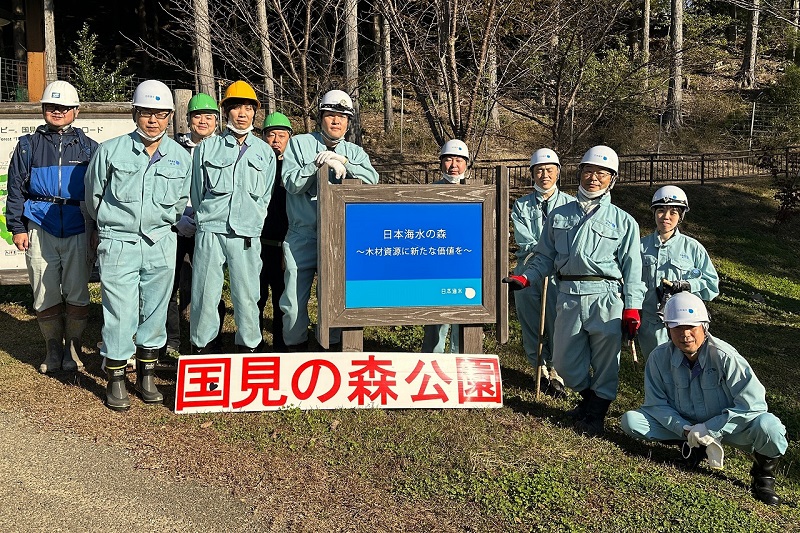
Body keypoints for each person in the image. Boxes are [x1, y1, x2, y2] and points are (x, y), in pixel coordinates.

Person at [503, 145, 645, 436]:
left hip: (604, 295)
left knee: (606, 361)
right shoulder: (560, 215)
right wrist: (527, 278)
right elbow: (543, 255)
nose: (594, 178)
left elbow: (633, 269)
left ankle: (595, 414)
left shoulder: (624, 221)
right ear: (579, 173)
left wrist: (632, 306)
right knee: (566, 363)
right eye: (589, 171)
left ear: (612, 179)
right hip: (567, 294)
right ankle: (590, 399)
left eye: (602, 173)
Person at [620, 292, 788, 505]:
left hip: (731, 429)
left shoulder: (726, 357)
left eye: (692, 327)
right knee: (632, 421)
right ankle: (692, 448)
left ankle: (763, 477)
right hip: (688, 427)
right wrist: (684, 429)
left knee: (770, 427)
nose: (685, 334)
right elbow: (656, 404)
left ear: (704, 327)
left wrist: (710, 428)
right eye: (678, 328)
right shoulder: (658, 358)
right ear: (668, 329)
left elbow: (753, 404)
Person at [85, 79, 192, 410]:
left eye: (161, 114)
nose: (153, 120)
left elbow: (182, 201)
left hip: (161, 241)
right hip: (119, 242)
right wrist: (110, 226)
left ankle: (146, 374)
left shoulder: (179, 156)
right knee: (120, 311)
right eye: (146, 112)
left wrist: (167, 225)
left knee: (157, 309)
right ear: (134, 113)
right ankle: (116, 376)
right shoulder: (110, 151)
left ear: (170, 117)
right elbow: (92, 197)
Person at [6, 80, 98, 374]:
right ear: (43, 109)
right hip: (39, 227)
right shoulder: (27, 146)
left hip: (78, 226)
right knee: (44, 293)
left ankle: (72, 346)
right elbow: (16, 190)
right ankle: (52, 348)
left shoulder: (90, 148)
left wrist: (96, 229)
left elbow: (100, 191)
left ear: (76, 111)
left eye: (64, 107)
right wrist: (17, 227)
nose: (57, 111)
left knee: (77, 293)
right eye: (51, 106)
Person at [280, 89, 379, 351]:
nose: (336, 121)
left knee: (335, 298)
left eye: (342, 117)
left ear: (349, 122)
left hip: (339, 237)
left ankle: (331, 349)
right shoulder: (299, 144)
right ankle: (295, 347)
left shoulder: (354, 151)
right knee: (292, 300)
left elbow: (372, 182)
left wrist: (345, 163)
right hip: (302, 234)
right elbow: (290, 183)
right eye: (331, 115)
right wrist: (315, 167)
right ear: (320, 117)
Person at [189, 81, 275, 354]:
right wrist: (206, 220)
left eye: (248, 108)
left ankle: (249, 349)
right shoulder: (207, 148)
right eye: (236, 107)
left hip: (246, 234)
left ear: (255, 113)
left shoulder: (264, 152)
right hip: (211, 231)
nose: (242, 113)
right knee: (204, 294)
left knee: (248, 294)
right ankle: (203, 349)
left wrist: (254, 221)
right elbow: (197, 190)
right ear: (225, 111)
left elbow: (265, 197)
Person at [510, 148, 574, 394]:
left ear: (558, 172)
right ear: (532, 174)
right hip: (528, 269)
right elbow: (525, 239)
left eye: (549, 170)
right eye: (539, 170)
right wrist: (547, 250)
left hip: (559, 273)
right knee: (530, 323)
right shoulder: (521, 205)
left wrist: (554, 254)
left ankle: (557, 371)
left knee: (557, 323)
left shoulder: (571, 204)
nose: (544, 175)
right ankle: (539, 369)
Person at [164, 92, 220, 360]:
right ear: (187, 120)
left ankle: (210, 341)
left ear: (217, 121)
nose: (203, 121)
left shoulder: (223, 148)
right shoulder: (173, 147)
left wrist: (203, 219)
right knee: (167, 285)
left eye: (209, 116)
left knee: (210, 284)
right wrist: (176, 218)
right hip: (175, 224)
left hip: (208, 226)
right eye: (197, 116)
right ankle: (171, 340)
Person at [638, 185, 719, 358]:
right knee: (657, 372)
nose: (666, 217)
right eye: (660, 210)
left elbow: (712, 285)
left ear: (681, 216)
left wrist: (687, 286)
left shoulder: (693, 248)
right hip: (651, 327)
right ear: (653, 213)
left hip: (686, 327)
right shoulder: (639, 247)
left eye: (673, 212)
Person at [421, 139, 470, 354]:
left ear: (467, 164)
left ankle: (459, 358)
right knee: (435, 316)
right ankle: (433, 359)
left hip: (467, 264)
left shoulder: (477, 191)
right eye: (449, 159)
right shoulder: (430, 191)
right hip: (437, 263)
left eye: (459, 160)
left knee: (464, 314)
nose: (453, 165)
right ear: (441, 163)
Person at [257, 112, 292, 352]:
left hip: (283, 245)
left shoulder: (293, 170)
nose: (276, 140)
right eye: (271, 135)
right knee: (255, 298)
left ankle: (281, 347)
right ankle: (254, 346)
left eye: (281, 135)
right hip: (256, 243)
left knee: (283, 300)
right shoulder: (256, 165)